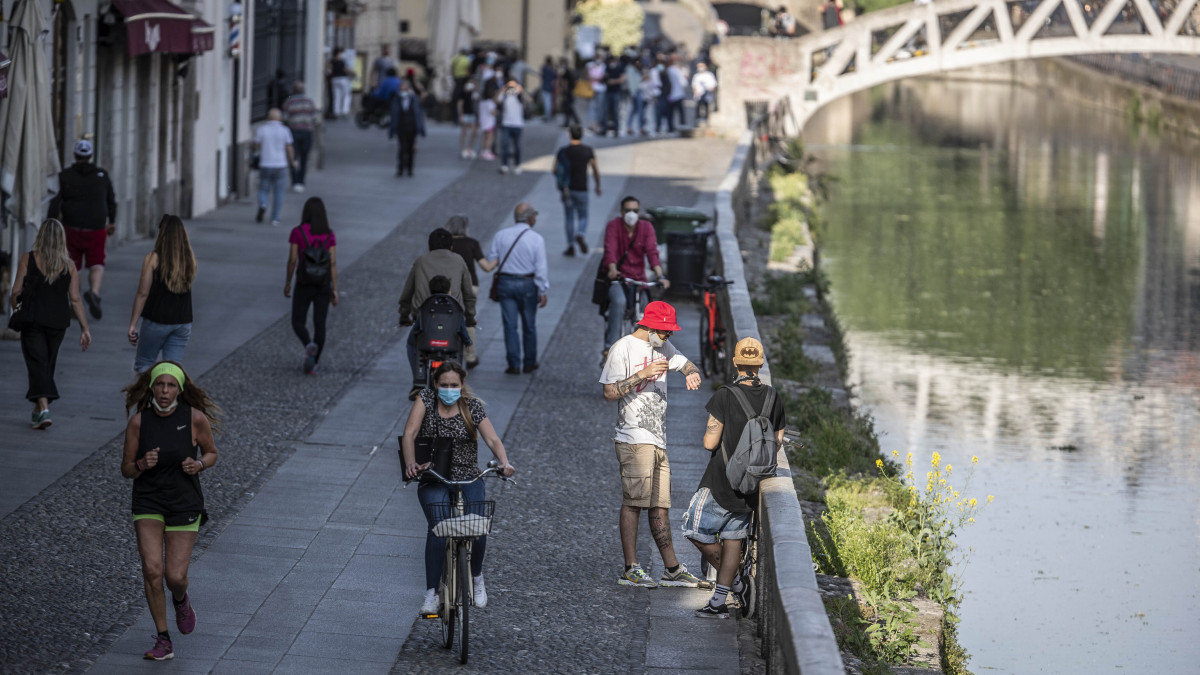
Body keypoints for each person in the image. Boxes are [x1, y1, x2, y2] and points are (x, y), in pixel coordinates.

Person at [599, 301, 704, 588]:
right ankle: (630, 568)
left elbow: (685, 362)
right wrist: (641, 375)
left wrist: (690, 372)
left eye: (670, 333)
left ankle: (671, 569)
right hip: (633, 438)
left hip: (658, 439)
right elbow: (609, 392)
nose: (668, 337)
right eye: (664, 332)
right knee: (634, 503)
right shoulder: (622, 348)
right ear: (648, 325)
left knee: (660, 505)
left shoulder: (664, 347)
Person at [120, 361, 220, 660]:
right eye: (160, 385)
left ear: (179, 388)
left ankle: (180, 598)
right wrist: (141, 464)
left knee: (174, 576)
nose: (165, 391)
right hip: (148, 501)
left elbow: (212, 452)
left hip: (183, 502)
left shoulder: (195, 419)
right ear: (151, 388)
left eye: (171, 385)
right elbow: (126, 469)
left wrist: (199, 464)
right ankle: (163, 639)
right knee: (152, 570)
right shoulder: (139, 422)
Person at [401, 360, 515, 614]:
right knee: (438, 527)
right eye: (444, 385)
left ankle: (476, 577)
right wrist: (410, 463)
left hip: (468, 477)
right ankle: (431, 593)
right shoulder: (426, 400)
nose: (449, 389)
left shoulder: (471, 407)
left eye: (454, 385)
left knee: (479, 522)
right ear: (435, 384)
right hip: (433, 476)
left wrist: (504, 462)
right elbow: (410, 433)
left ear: (462, 385)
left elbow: (492, 438)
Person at [684, 337, 785, 618]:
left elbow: (709, 442)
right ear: (761, 364)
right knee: (733, 538)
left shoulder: (725, 395)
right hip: (752, 482)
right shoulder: (773, 396)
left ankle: (735, 580)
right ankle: (721, 599)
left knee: (693, 528)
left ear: (735, 362)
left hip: (721, 480)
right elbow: (778, 439)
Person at [11, 219, 92, 430]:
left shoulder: (28, 259)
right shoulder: (69, 266)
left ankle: (44, 410)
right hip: (58, 323)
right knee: (46, 365)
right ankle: (38, 410)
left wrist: (17, 308)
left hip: (33, 320)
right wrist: (85, 328)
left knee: (38, 364)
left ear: (42, 236)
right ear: (61, 238)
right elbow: (75, 299)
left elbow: (15, 292)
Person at [399, 228, 476, 398]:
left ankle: (418, 381)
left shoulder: (420, 261)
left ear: (429, 246)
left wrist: (404, 315)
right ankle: (458, 382)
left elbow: (407, 294)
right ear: (451, 247)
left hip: (425, 322)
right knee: (458, 346)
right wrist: (470, 318)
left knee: (412, 344)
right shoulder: (459, 260)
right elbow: (468, 294)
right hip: (452, 322)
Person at [49, 139, 116, 320]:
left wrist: (52, 223)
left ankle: (74, 302)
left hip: (71, 227)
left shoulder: (65, 175)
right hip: (96, 228)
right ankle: (94, 292)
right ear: (91, 155)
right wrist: (112, 221)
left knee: (72, 265)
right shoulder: (102, 174)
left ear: (74, 155)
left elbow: (55, 202)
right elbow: (111, 200)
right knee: (97, 263)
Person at [127, 215, 196, 374]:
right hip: (183, 322)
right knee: (172, 370)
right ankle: (168, 398)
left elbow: (142, 293)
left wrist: (133, 324)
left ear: (162, 234)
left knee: (144, 365)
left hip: (157, 320)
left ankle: (148, 398)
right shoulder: (189, 259)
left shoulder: (153, 258)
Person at [485, 203, 548, 374]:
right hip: (527, 284)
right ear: (529, 218)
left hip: (505, 283)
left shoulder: (501, 235)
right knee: (529, 325)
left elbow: (492, 257)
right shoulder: (536, 239)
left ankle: (513, 364)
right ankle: (529, 362)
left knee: (509, 325)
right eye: (535, 214)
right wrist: (543, 290)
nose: (536, 217)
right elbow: (540, 269)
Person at [601, 196, 668, 353]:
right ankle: (609, 347)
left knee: (647, 310)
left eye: (635, 211)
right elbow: (610, 250)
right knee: (618, 301)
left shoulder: (646, 228)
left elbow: (652, 253)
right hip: (619, 278)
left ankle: (645, 349)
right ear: (621, 211)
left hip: (639, 279)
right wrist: (612, 269)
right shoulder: (614, 226)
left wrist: (660, 276)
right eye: (628, 210)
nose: (632, 214)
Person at [284, 198, 338, 374]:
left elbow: (293, 260)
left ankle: (308, 344)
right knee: (320, 324)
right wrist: (335, 289)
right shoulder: (329, 234)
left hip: (303, 282)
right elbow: (332, 263)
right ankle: (313, 362)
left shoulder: (297, 232)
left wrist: (287, 283)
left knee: (298, 321)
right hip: (323, 284)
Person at [445, 214, 497, 369]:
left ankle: (448, 353)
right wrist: (499, 257)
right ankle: (471, 357)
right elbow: (487, 267)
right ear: (466, 227)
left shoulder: (445, 244)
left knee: (448, 321)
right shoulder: (472, 243)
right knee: (468, 322)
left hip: (449, 288)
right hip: (470, 287)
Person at [557, 124, 601, 257]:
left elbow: (555, 169)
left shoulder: (563, 151)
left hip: (567, 189)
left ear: (570, 134)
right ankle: (580, 233)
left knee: (569, 217)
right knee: (583, 215)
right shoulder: (587, 150)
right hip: (582, 188)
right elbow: (595, 169)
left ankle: (570, 246)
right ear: (581, 135)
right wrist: (598, 185)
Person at [253, 109, 296, 227]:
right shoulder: (285, 130)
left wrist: (259, 150)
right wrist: (292, 161)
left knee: (263, 188)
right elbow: (289, 148)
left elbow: (256, 146)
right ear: (280, 118)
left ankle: (263, 204)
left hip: (265, 164)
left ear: (268, 118)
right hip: (280, 165)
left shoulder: (262, 129)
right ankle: (275, 218)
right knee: (279, 192)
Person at [282, 81, 319, 193]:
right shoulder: (310, 102)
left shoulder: (289, 102)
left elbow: (285, 118)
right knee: (304, 157)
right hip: (307, 132)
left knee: (293, 157)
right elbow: (315, 118)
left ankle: (295, 182)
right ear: (303, 90)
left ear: (293, 91)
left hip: (293, 132)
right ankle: (301, 182)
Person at [389, 79, 427, 177]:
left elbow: (418, 115)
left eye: (405, 89)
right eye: (401, 89)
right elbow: (394, 115)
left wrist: (420, 128)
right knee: (402, 148)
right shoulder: (396, 99)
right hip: (401, 127)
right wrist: (392, 130)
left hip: (412, 127)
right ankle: (400, 168)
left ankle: (410, 168)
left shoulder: (414, 99)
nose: (403, 92)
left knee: (411, 149)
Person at [497, 80, 530, 175]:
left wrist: (522, 91)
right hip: (506, 124)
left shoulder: (519, 95)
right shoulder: (504, 95)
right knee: (505, 145)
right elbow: (495, 100)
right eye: (509, 86)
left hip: (517, 124)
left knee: (517, 146)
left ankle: (517, 165)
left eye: (513, 86)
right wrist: (502, 90)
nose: (511, 88)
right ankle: (504, 165)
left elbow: (529, 100)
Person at [603, 54, 626, 136]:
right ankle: (605, 129)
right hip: (608, 91)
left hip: (616, 91)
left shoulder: (620, 68)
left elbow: (623, 78)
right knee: (606, 111)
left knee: (616, 111)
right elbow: (604, 77)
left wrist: (614, 81)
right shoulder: (607, 67)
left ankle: (616, 129)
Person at [477, 78, 499, 161]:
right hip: (489, 123)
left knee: (484, 137)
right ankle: (487, 151)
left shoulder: (482, 101)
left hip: (483, 122)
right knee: (490, 137)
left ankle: (482, 151)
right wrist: (497, 111)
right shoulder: (490, 102)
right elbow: (492, 112)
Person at [457, 80, 479, 159]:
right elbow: (460, 103)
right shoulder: (463, 93)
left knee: (474, 132)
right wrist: (460, 114)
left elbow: (476, 104)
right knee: (464, 132)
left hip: (472, 114)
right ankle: (463, 149)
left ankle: (470, 149)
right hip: (465, 114)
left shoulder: (475, 93)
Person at [558, 57, 582, 128]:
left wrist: (563, 91)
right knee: (569, 107)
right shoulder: (567, 70)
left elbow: (565, 82)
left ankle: (569, 122)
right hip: (569, 91)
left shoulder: (565, 71)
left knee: (567, 107)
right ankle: (575, 120)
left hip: (568, 91)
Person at [329, 48, 353, 118]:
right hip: (343, 79)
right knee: (346, 95)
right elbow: (345, 69)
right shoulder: (341, 61)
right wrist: (353, 72)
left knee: (337, 96)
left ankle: (336, 112)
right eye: (340, 53)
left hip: (334, 79)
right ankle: (344, 111)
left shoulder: (331, 61)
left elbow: (329, 69)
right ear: (338, 54)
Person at [624, 59, 645, 136]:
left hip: (638, 91)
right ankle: (638, 127)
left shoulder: (636, 70)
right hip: (635, 92)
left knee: (635, 110)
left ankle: (632, 127)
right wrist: (633, 93)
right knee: (639, 110)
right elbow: (632, 82)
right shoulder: (630, 70)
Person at [539, 56, 557, 121]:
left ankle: (547, 116)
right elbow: (555, 76)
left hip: (545, 86)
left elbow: (542, 76)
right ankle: (549, 115)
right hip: (550, 86)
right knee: (549, 102)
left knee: (546, 102)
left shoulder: (544, 68)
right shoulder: (552, 69)